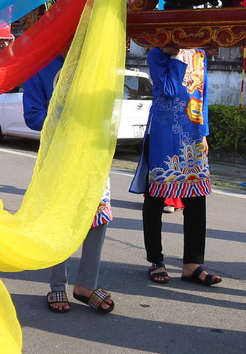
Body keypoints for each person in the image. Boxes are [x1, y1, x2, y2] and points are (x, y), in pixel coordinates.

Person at [24, 53, 114, 314]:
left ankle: (86, 285)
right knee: (59, 218)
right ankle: (57, 284)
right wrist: (71, 122)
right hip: (59, 158)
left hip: (93, 155)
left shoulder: (97, 58)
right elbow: (33, 115)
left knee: (98, 216)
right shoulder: (41, 64)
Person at [133, 44, 220, 287]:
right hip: (162, 134)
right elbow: (169, 90)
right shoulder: (157, 54)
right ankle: (155, 260)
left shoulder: (199, 54)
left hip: (192, 133)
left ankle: (192, 264)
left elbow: (203, 96)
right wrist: (174, 57)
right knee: (155, 198)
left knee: (196, 197)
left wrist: (204, 133)